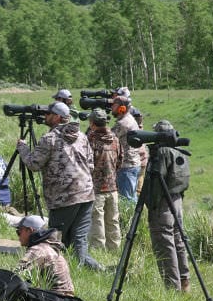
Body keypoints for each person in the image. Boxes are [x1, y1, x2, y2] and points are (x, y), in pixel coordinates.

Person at [16, 101, 104, 271]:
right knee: (79, 239)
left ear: (57, 117)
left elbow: (34, 164)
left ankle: (54, 270)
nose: (45, 116)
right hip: (86, 193)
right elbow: (91, 165)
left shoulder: (50, 138)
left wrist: (23, 148)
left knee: (54, 238)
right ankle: (89, 270)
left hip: (63, 197)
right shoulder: (82, 137)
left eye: (48, 114)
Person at [144, 120, 191, 292]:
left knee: (165, 244)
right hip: (177, 200)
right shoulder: (180, 151)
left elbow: (156, 183)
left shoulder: (163, 153)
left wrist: (151, 204)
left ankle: (172, 287)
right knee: (178, 241)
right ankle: (184, 280)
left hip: (162, 203)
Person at [87, 108, 123, 251]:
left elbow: (86, 163)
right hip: (112, 187)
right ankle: (114, 247)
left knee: (97, 220)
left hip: (96, 189)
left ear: (92, 123)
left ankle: (98, 249)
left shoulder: (91, 140)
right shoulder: (115, 139)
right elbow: (121, 160)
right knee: (113, 220)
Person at [15, 215, 75, 297]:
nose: (18, 236)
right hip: (64, 299)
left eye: (19, 232)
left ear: (29, 230)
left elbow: (15, 276)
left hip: (53, 299)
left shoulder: (38, 250)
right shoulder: (51, 246)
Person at [110, 96, 142, 202]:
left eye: (114, 105)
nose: (111, 108)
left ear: (122, 108)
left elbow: (108, 138)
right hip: (131, 164)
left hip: (126, 166)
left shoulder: (123, 123)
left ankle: (130, 219)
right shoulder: (129, 119)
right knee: (131, 196)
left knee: (126, 200)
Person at [132, 109, 149, 195]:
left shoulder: (134, 130)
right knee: (140, 180)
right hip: (143, 159)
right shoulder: (141, 128)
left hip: (137, 159)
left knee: (137, 182)